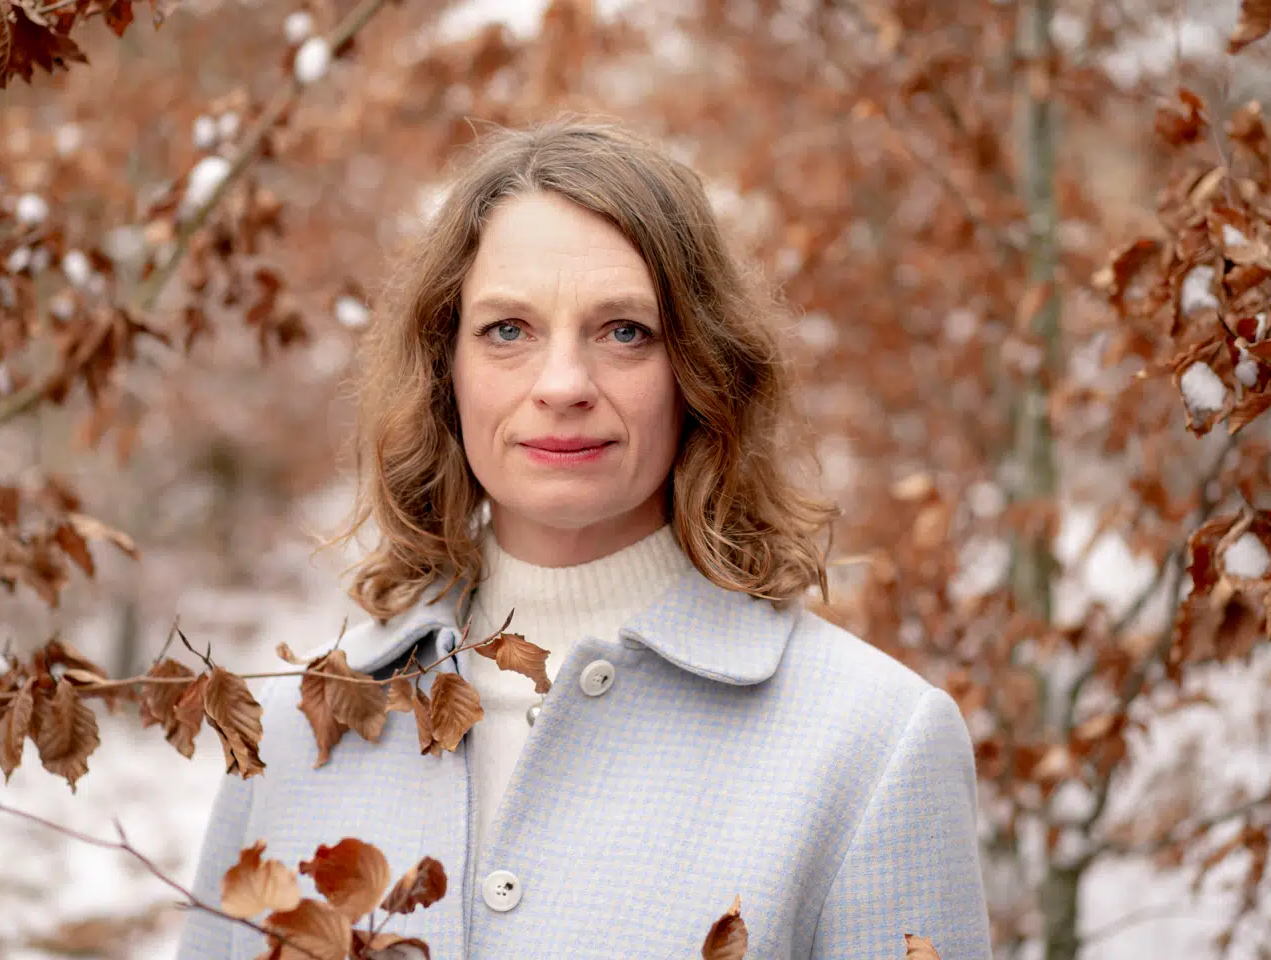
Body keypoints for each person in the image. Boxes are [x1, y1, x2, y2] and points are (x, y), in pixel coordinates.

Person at [176, 118, 992, 960]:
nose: (563, 384)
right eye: (508, 330)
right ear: (445, 369)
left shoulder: (874, 745)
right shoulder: (295, 725)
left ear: (701, 371)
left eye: (625, 331)